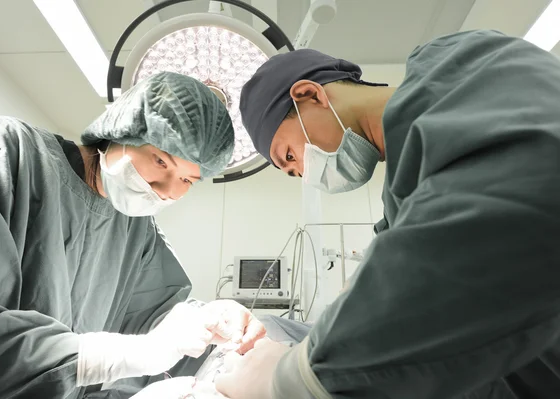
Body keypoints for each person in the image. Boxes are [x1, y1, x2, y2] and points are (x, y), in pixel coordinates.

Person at [216, 30, 560, 399]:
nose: (304, 173)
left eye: (290, 156)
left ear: (309, 94)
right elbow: (381, 303)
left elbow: (524, 200)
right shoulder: (402, 201)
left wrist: (288, 380)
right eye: (294, 173)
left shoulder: (454, 63)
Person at [0, 71, 266, 399]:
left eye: (188, 180)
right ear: (122, 128)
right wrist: (103, 360)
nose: (168, 192)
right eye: (161, 161)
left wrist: (211, 320)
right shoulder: (8, 153)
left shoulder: (138, 234)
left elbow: (157, 322)